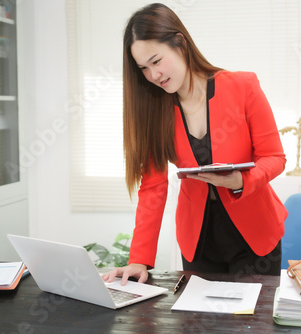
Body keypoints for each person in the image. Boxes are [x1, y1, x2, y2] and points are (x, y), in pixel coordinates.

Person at [102, 3, 287, 285]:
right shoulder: (154, 109)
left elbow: (274, 157)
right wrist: (139, 259)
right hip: (198, 241)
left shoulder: (243, 86)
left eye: (156, 61)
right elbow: (153, 186)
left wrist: (240, 181)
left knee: (251, 325)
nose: (153, 75)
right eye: (143, 68)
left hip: (254, 238)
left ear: (180, 43)